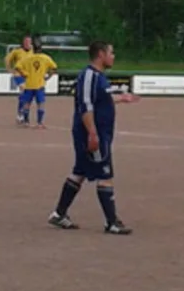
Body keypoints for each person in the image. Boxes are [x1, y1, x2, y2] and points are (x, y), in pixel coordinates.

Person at [48, 41, 139, 234]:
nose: (113, 56)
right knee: (105, 175)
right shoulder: (89, 76)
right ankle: (112, 222)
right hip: (92, 134)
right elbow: (86, 107)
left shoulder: (99, 77)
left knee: (79, 171)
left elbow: (100, 100)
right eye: (111, 52)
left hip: (97, 133)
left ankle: (59, 214)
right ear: (100, 54)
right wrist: (92, 133)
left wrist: (121, 99)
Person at [15, 41, 58, 128]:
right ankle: (39, 123)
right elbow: (54, 68)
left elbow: (17, 66)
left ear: (33, 49)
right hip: (40, 85)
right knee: (40, 103)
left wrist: (24, 73)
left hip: (29, 84)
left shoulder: (28, 58)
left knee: (27, 103)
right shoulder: (46, 58)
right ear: (41, 48)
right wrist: (48, 77)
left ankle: (26, 122)